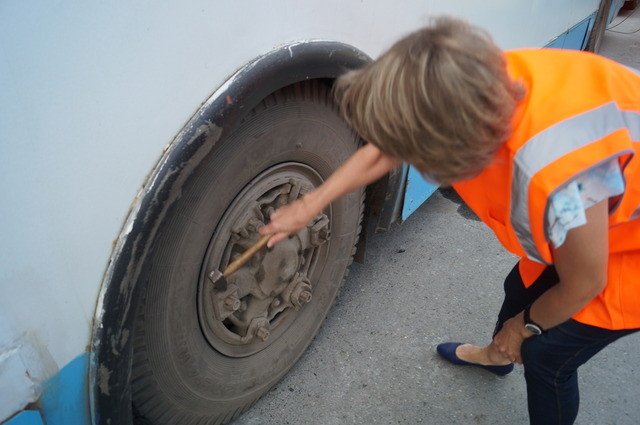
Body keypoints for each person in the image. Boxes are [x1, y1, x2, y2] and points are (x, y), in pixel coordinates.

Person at [259, 16, 640, 424]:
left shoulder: (560, 182)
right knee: (520, 286)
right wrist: (311, 202)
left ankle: (517, 354)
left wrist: (523, 328)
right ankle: (495, 358)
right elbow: (394, 141)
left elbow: (585, 281)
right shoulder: (477, 79)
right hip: (605, 195)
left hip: (626, 250)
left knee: (547, 357)